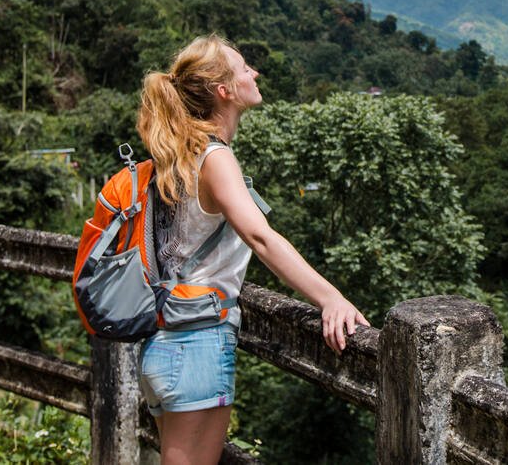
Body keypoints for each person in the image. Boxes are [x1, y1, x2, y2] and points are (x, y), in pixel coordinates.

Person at [135, 34, 368, 465]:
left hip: (163, 341)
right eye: (244, 68)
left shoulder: (177, 154)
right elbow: (261, 237)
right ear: (224, 91)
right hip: (198, 342)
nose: (254, 73)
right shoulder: (214, 157)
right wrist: (329, 297)